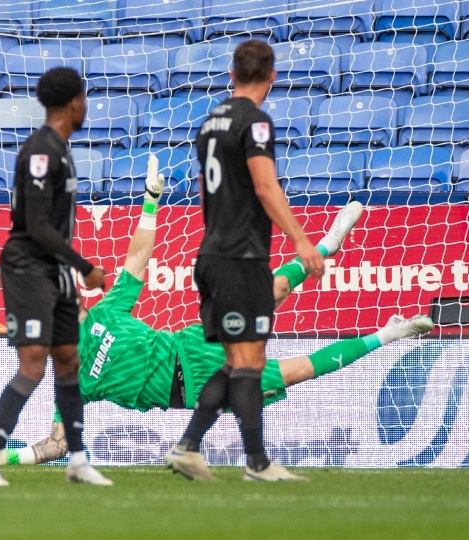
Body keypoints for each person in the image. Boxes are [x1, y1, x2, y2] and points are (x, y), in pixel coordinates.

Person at [0, 166, 433, 469]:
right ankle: (389, 334)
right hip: (189, 387)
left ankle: (328, 242)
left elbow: (137, 259)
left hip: (189, 345)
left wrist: (150, 201)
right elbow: (57, 444)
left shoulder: (106, 308)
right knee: (299, 371)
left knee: (270, 289)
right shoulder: (70, 377)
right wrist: (5, 457)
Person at [165, 39, 327, 482]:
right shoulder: (255, 123)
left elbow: (204, 190)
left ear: (232, 74)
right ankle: (257, 463)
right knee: (250, 360)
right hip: (240, 257)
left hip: (213, 253)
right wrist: (301, 241)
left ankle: (188, 446)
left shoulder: (209, 122)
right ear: (272, 76)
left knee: (238, 360)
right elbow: (265, 187)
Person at [0, 67, 111, 487]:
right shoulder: (42, 150)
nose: (86, 107)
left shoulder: (60, 148)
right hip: (29, 266)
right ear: (73, 103)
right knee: (33, 364)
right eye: (84, 99)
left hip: (55, 270)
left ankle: (78, 460)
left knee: (68, 359)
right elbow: (37, 224)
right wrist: (85, 268)